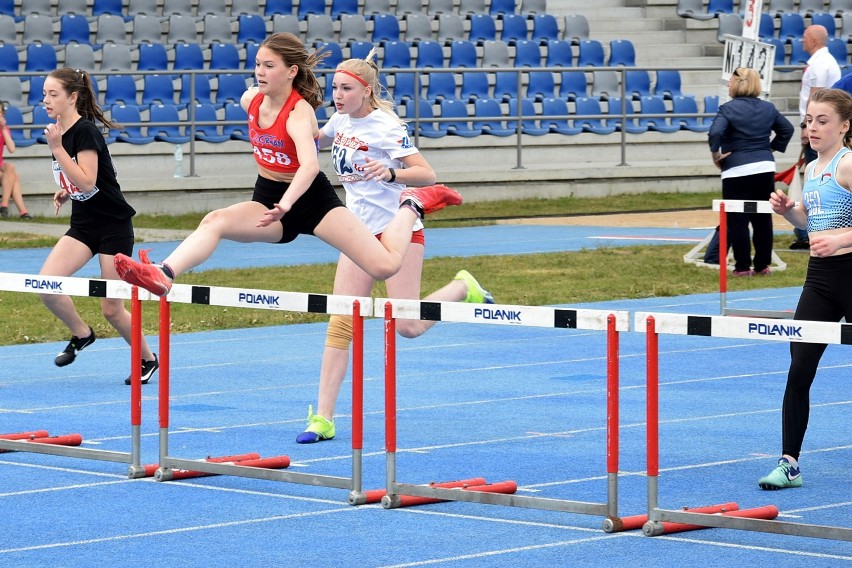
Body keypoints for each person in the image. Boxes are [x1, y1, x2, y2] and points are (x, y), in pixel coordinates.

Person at [113, 34, 461, 309]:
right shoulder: (251, 100)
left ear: (291, 71)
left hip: (311, 201)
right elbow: (321, 140)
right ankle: (164, 273)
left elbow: (309, 165)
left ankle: (412, 204)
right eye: (257, 65)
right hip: (268, 196)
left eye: (269, 66)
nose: (259, 72)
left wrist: (288, 204)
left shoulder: (299, 114)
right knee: (215, 220)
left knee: (384, 267)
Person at [296, 49, 494, 444]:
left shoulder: (387, 126)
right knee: (341, 322)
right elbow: (311, 137)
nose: (337, 95)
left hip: (398, 231)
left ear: (366, 91)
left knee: (407, 326)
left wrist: (389, 171)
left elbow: (426, 172)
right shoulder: (339, 120)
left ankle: (462, 287)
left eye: (346, 88)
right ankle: (323, 417)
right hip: (356, 234)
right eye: (334, 88)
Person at [39, 68, 159, 385]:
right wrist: (67, 190)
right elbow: (82, 182)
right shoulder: (60, 131)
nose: (45, 100)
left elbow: (89, 178)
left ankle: (148, 359)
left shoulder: (84, 132)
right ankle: (82, 333)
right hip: (83, 225)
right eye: (43, 94)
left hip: (113, 226)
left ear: (72, 97)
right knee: (47, 286)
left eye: (53, 94)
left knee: (111, 308)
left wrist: (57, 150)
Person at [763, 88, 852, 490]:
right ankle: (789, 462)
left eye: (821, 121)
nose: (811, 128)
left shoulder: (848, 165)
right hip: (820, 280)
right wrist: (789, 213)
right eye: (808, 121)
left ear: (845, 126)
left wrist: (842, 240)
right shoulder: (813, 168)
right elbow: (809, 219)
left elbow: (836, 231)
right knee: (799, 370)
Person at [708, 67, 794, 276]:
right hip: (764, 168)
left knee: (738, 219)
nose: (728, 85)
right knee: (763, 218)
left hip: (736, 169)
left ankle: (743, 267)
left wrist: (716, 156)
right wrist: (769, 149)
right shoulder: (768, 108)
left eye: (730, 81)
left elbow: (715, 132)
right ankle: (762, 265)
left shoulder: (727, 109)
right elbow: (787, 129)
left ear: (737, 84)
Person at [791, 24, 842, 250]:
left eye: (804, 37)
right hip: (823, 258)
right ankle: (811, 233)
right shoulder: (823, 61)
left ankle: (809, 234)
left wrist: (808, 124)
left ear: (813, 40)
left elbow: (818, 98)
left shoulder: (820, 64)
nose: (801, 41)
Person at [0, 104, 31, 219]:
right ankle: (22, 211)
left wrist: (3, 129)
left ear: (2, 115)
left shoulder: (4, 129)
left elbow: (12, 149)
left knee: (11, 169)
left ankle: (4, 205)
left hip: (1, 167)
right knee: (14, 175)